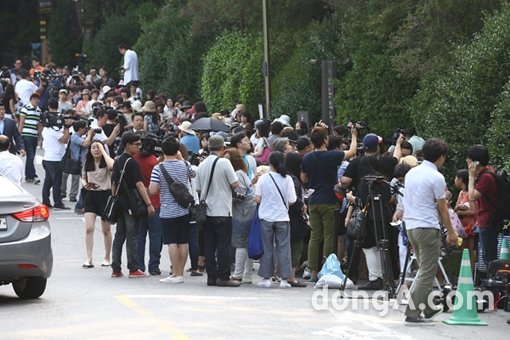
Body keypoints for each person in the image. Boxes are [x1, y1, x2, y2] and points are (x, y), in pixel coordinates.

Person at [403, 138, 458, 323]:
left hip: (411, 226)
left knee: (423, 269)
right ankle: (412, 311)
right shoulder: (437, 177)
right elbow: (442, 209)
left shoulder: (411, 173)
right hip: (427, 227)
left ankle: (426, 309)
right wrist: (451, 232)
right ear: (441, 157)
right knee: (427, 270)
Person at [341, 132, 402, 288]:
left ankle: (375, 278)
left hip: (368, 215)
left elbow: (360, 199)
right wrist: (399, 142)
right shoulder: (384, 176)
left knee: (369, 245)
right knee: (385, 245)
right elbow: (396, 158)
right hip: (386, 213)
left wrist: (352, 198)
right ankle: (389, 277)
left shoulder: (363, 179)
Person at [301, 124, 357, 282]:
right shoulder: (332, 156)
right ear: (325, 140)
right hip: (329, 200)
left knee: (315, 237)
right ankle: (327, 269)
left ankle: (312, 270)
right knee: (329, 237)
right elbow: (352, 152)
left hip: (313, 201)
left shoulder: (307, 157)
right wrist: (353, 135)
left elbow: (304, 178)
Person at [149, 136, 195, 283]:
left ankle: (175, 273)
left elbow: (153, 190)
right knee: (183, 241)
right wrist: (181, 159)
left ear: (162, 150)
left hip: (168, 210)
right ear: (178, 150)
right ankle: (181, 272)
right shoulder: (185, 164)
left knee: (172, 242)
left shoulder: (158, 167)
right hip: (184, 209)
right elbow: (193, 175)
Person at [196, 135, 240, 287]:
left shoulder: (201, 165)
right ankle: (224, 276)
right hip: (222, 209)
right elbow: (235, 184)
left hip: (207, 210)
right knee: (223, 244)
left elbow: (198, 189)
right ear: (222, 147)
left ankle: (211, 277)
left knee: (209, 244)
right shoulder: (224, 162)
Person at [110, 132, 155, 278]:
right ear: (127, 145)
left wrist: (115, 198)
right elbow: (140, 185)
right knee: (132, 235)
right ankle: (133, 268)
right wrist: (149, 204)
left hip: (120, 202)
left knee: (119, 235)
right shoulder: (133, 163)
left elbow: (114, 183)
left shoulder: (117, 161)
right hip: (131, 203)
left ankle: (116, 268)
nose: (139, 147)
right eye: (136, 144)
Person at [255, 152, 297, 288]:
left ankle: (267, 278)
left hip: (266, 217)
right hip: (282, 217)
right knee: (284, 248)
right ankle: (284, 279)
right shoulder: (288, 179)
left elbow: (257, 199)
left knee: (267, 248)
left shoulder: (263, 178)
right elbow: (292, 200)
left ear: (270, 163)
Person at [223, 148, 257, 284]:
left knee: (240, 243)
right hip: (249, 210)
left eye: (227, 159)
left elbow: (240, 195)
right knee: (247, 243)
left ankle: (238, 274)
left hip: (242, 212)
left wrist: (226, 198)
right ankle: (247, 275)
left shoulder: (237, 174)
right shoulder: (242, 173)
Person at [81, 141, 114, 268]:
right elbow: (83, 177)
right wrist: (86, 185)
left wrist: (104, 150)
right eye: (93, 147)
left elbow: (112, 166)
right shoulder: (87, 163)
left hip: (105, 195)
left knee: (106, 229)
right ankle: (89, 258)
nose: (96, 150)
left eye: (98, 147)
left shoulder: (106, 162)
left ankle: (107, 257)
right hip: (91, 196)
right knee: (89, 228)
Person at [134, 132, 163, 276]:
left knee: (140, 235)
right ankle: (154, 265)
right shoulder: (154, 162)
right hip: (155, 201)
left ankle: (139, 265)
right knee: (155, 235)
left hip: (139, 202)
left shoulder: (134, 160)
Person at [467, 144, 499, 267]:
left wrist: (470, 176)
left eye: (468, 158)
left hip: (487, 220)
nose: (467, 161)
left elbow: (472, 196)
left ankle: (495, 283)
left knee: (489, 257)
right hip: (486, 219)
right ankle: (493, 281)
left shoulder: (486, 177)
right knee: (488, 255)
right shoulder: (488, 171)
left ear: (475, 162)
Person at [41, 110, 72, 209]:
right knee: (57, 182)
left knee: (48, 181)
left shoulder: (45, 130)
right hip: (55, 160)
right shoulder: (53, 131)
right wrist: (67, 128)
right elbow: (64, 139)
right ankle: (58, 203)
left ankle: (45, 201)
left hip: (47, 159)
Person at [19, 93, 42, 184]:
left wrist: (40, 137)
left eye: (37, 99)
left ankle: (28, 176)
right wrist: (19, 135)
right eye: (34, 99)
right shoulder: (25, 109)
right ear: (31, 100)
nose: (36, 100)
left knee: (31, 157)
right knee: (31, 155)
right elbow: (21, 123)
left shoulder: (38, 110)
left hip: (34, 135)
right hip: (27, 135)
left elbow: (39, 125)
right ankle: (33, 175)